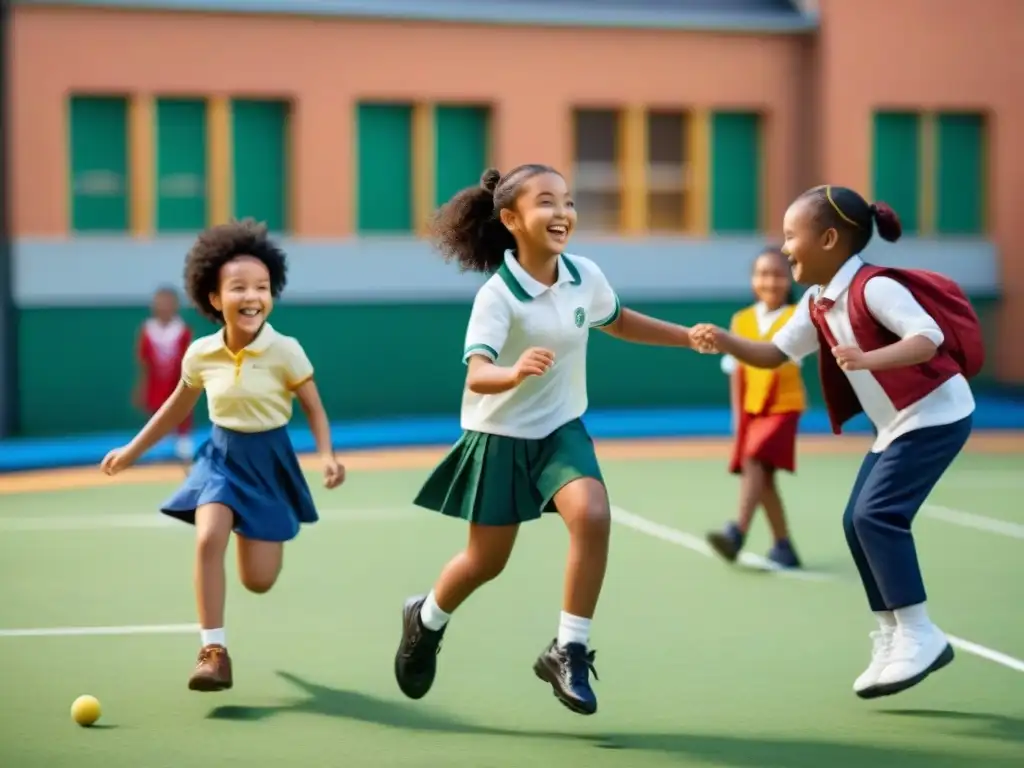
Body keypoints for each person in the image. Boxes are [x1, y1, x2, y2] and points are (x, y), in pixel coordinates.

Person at [393, 166, 698, 716]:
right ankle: (427, 618)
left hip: (561, 429)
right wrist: (512, 373)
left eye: (569, 202)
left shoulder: (585, 275)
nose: (562, 213)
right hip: (500, 436)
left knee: (593, 515)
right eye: (546, 203)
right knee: (485, 562)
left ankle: (568, 648)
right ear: (511, 219)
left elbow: (619, 321)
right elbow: (476, 374)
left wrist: (687, 338)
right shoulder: (496, 296)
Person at [691, 185, 980, 700]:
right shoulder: (817, 301)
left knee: (877, 516)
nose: (783, 249)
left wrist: (868, 360)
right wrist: (726, 338)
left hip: (937, 413)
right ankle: (892, 636)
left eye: (790, 236)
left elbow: (928, 338)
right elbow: (775, 353)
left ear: (828, 239)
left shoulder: (874, 288)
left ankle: (920, 633)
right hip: (897, 424)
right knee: (855, 522)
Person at [101, 219, 345, 692]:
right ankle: (213, 652)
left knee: (259, 581)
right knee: (208, 536)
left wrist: (328, 456)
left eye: (262, 287)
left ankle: (250, 532)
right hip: (221, 458)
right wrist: (131, 451)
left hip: (269, 462)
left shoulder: (286, 352)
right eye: (239, 287)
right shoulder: (201, 355)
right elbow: (175, 410)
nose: (252, 296)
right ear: (214, 298)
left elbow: (314, 408)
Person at [707, 247, 805, 569]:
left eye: (778, 274)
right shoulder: (741, 319)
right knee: (763, 477)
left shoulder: (798, 318)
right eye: (763, 274)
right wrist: (738, 418)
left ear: (789, 278)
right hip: (752, 409)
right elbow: (737, 371)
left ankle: (737, 532)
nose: (770, 281)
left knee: (755, 458)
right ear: (753, 280)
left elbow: (782, 360)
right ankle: (784, 545)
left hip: (783, 405)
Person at [135, 286, 194, 462]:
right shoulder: (148, 329)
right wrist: (141, 386)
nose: (164, 307)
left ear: (176, 306)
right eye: (160, 303)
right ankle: (155, 443)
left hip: (177, 380)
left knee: (180, 408)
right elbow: (144, 359)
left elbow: (188, 359)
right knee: (155, 409)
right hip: (155, 380)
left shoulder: (182, 330)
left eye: (168, 303)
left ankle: (183, 442)